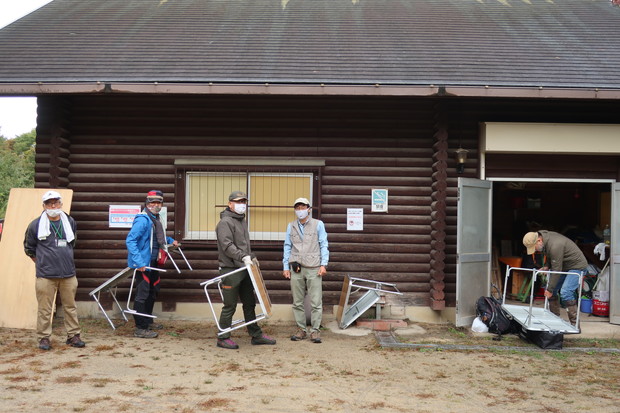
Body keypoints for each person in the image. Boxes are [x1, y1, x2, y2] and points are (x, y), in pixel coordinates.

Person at [23, 190, 85, 350]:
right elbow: (29, 248)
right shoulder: (35, 225)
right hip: (46, 275)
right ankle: (44, 338)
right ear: (43, 206)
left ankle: (73, 336)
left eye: (56, 202)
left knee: (70, 307)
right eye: (49, 203)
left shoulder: (69, 221)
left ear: (61, 204)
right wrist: (43, 261)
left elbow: (73, 243)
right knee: (45, 309)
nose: (53, 205)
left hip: (68, 274)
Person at [214, 190, 276, 349]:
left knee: (250, 303)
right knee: (230, 305)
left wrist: (251, 256)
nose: (242, 205)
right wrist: (242, 256)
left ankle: (255, 335)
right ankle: (223, 337)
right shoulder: (225, 222)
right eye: (238, 202)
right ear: (230, 204)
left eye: (244, 202)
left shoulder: (241, 221)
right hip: (230, 270)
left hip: (245, 268)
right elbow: (227, 246)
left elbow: (243, 245)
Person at [126, 190, 178, 338]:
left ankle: (148, 321)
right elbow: (130, 240)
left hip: (154, 262)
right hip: (144, 263)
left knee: (153, 291)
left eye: (158, 202)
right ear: (147, 203)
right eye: (152, 202)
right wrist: (139, 262)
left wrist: (169, 240)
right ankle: (140, 328)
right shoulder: (142, 219)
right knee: (142, 295)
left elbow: (157, 236)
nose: (155, 205)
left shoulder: (155, 218)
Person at [283, 197, 329, 343]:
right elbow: (287, 246)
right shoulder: (291, 226)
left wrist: (324, 264)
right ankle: (301, 329)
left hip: (314, 266)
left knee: (316, 301)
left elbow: (323, 244)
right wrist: (285, 266)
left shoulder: (318, 224)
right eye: (297, 208)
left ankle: (315, 331)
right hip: (296, 266)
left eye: (303, 207)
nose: (300, 210)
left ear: (309, 209)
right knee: (297, 301)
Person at [522, 230, 587, 325]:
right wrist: (547, 266)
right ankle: (555, 320)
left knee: (565, 292)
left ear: (539, 240)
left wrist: (550, 289)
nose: (535, 250)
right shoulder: (546, 240)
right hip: (565, 265)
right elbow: (551, 256)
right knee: (552, 289)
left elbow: (556, 270)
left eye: (534, 247)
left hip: (577, 266)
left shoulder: (555, 245)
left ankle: (575, 324)